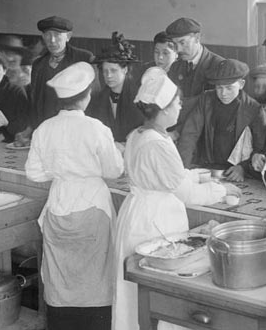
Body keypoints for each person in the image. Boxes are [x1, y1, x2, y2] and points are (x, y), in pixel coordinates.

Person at [112, 67, 240, 330]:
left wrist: (200, 176)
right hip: (155, 221)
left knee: (134, 294)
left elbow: (170, 176)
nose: (181, 107)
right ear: (165, 107)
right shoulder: (158, 144)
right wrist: (222, 189)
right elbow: (185, 193)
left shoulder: (139, 135)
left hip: (137, 213)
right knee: (158, 294)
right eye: (178, 102)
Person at [25, 62, 123, 330]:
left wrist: (59, 172)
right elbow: (114, 170)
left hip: (58, 203)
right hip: (93, 205)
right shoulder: (96, 128)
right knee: (96, 276)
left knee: (61, 275)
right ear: (86, 96)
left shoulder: (44, 128)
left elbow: (33, 173)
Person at [177, 59, 266, 182]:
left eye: (229, 88)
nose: (223, 93)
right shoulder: (206, 100)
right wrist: (183, 171)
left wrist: (243, 168)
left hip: (236, 172)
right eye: (219, 88)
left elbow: (259, 149)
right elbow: (189, 135)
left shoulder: (254, 109)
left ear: (241, 84)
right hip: (207, 168)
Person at [27, 16, 96, 129]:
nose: (52, 40)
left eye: (57, 35)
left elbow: (94, 96)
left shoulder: (84, 58)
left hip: (76, 127)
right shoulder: (38, 64)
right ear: (43, 37)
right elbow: (34, 101)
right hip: (46, 127)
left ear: (68, 36)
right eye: (48, 35)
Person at [165, 17, 224, 132]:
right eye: (174, 44)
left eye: (182, 42)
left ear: (197, 38)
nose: (178, 49)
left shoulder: (219, 66)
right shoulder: (175, 68)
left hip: (207, 133)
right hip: (178, 131)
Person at [87, 32, 143, 144]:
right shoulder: (97, 99)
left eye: (113, 70)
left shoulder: (140, 97)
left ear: (125, 69)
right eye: (105, 71)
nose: (108, 76)